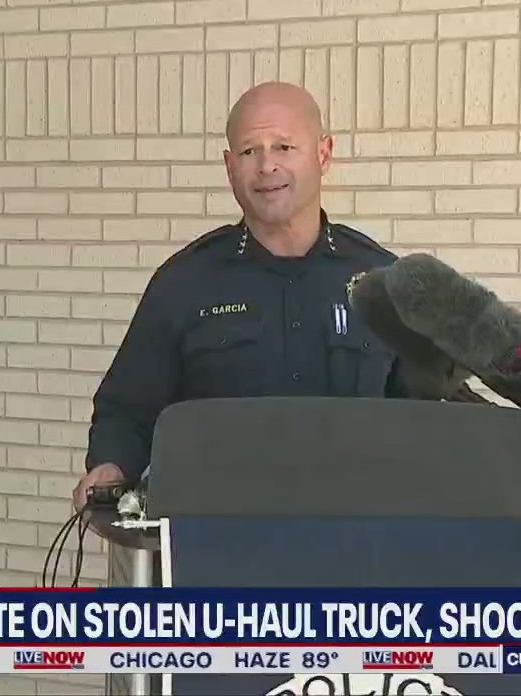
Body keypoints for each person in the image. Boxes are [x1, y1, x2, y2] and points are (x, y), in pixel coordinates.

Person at [74, 81, 405, 508]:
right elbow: (127, 411)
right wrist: (110, 467)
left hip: (358, 534)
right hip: (216, 533)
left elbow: (428, 416)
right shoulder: (184, 283)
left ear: (323, 154)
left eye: (284, 147)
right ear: (230, 167)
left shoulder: (384, 281)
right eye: (250, 151)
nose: (267, 166)